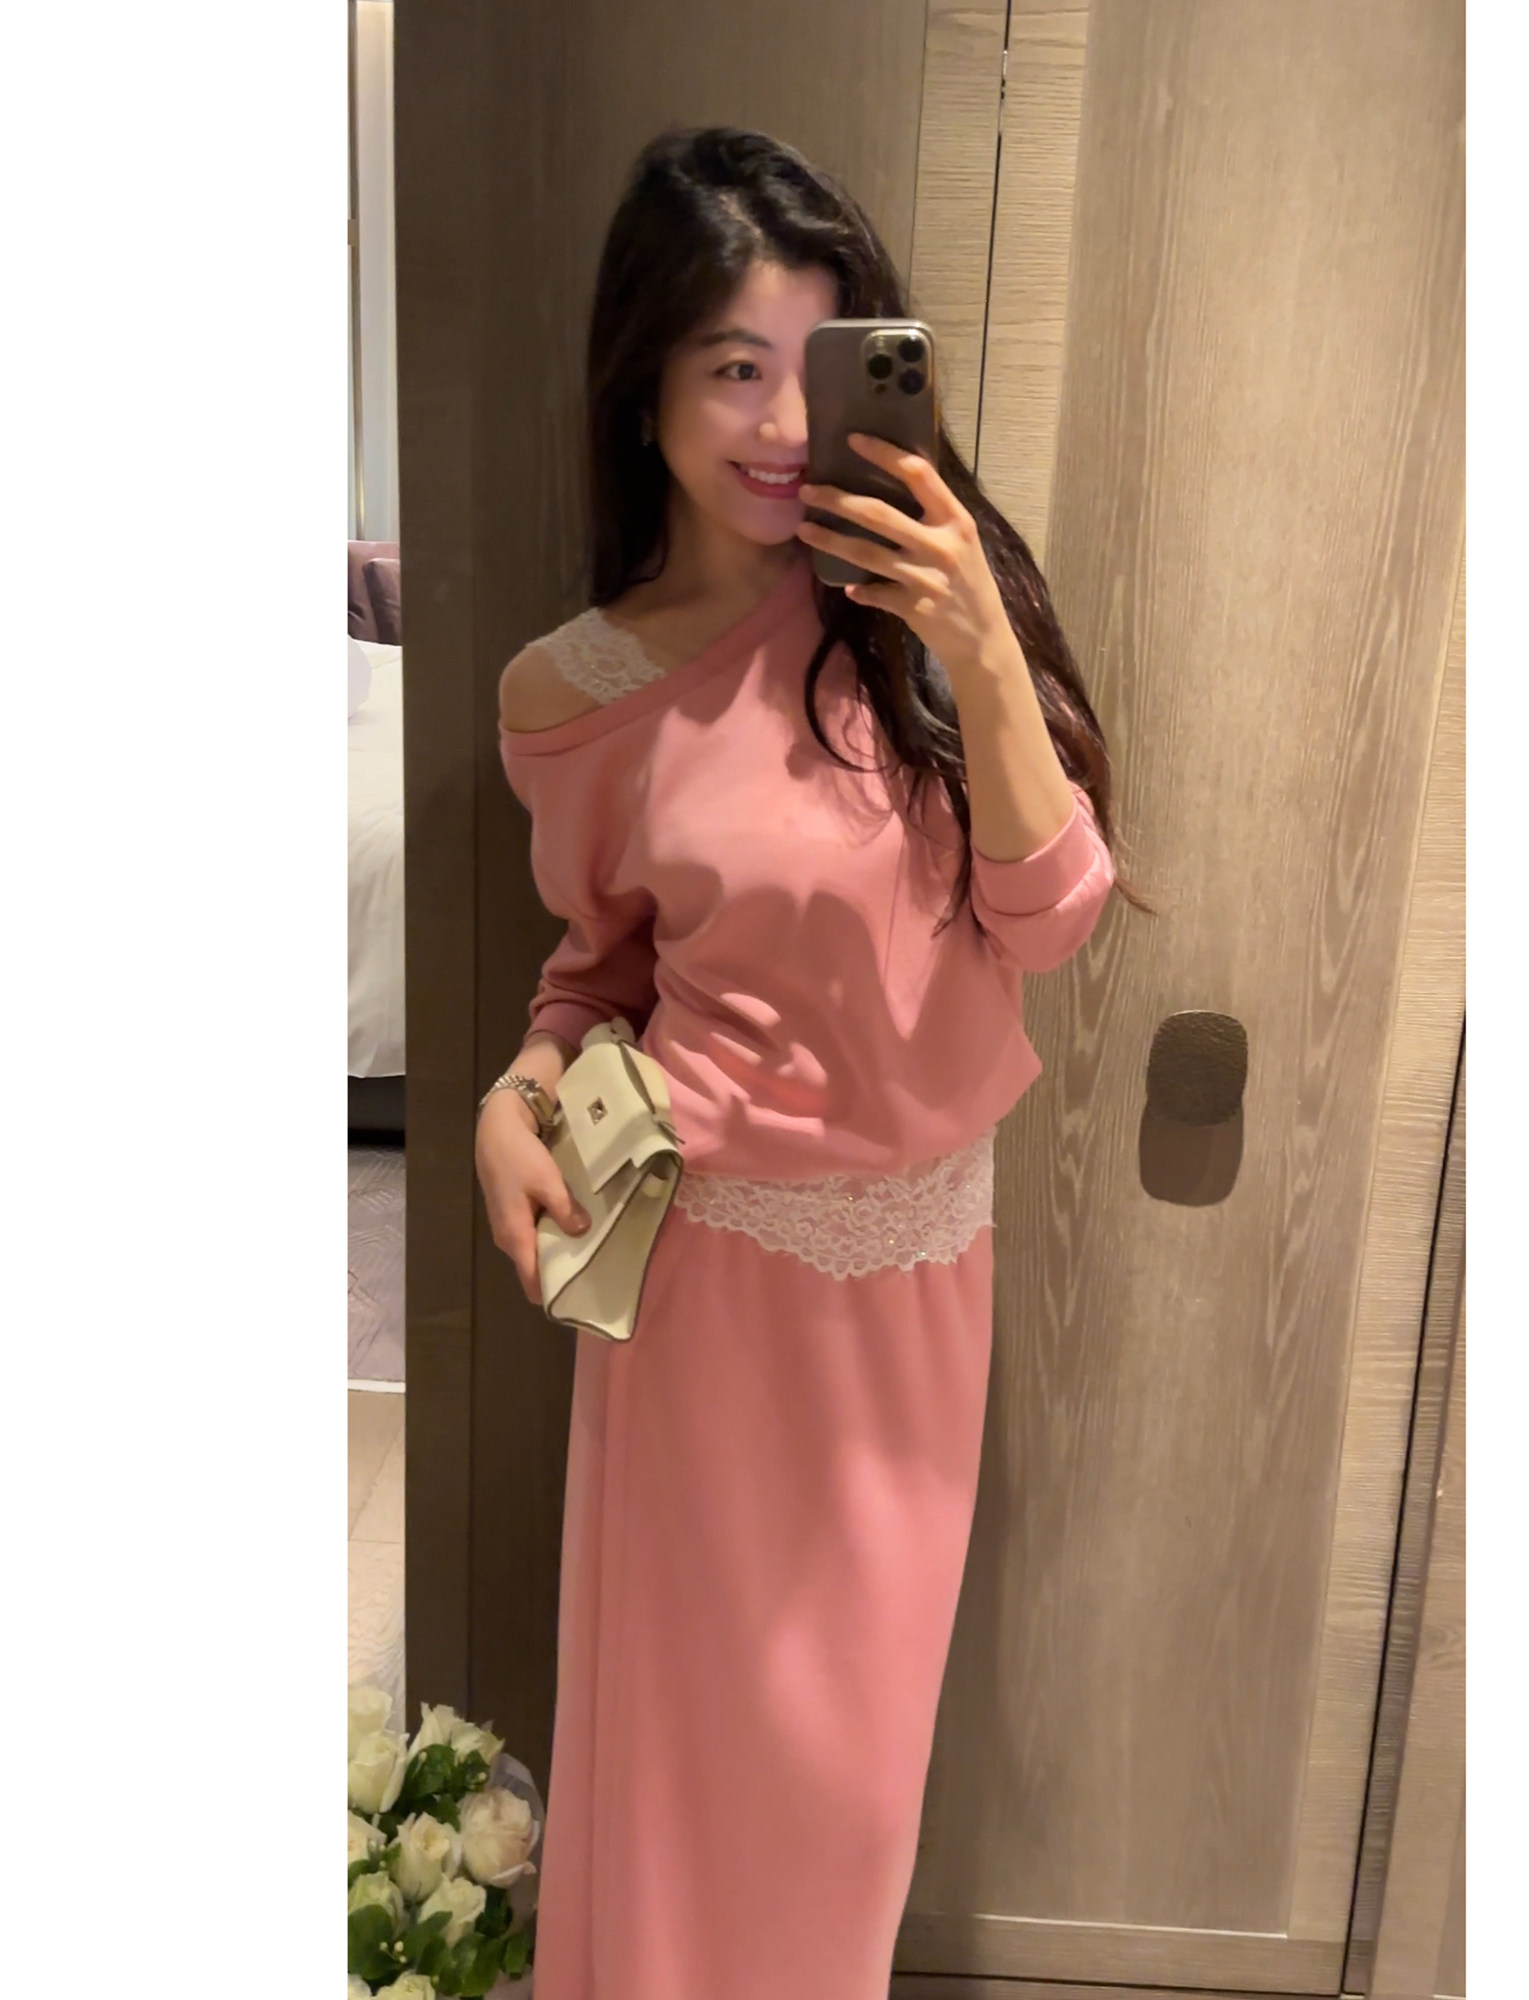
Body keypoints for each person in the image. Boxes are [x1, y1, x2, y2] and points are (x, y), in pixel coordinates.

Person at [473, 125, 1140, 2000]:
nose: (780, 424)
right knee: (676, 1779)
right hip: (701, 1300)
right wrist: (512, 1096)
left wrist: (977, 645)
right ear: (646, 386)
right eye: (731, 367)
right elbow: (595, 975)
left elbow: (1053, 923)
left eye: (815, 363)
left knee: (847, 1814)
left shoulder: (923, 620)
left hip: (912, 1304)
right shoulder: (572, 692)